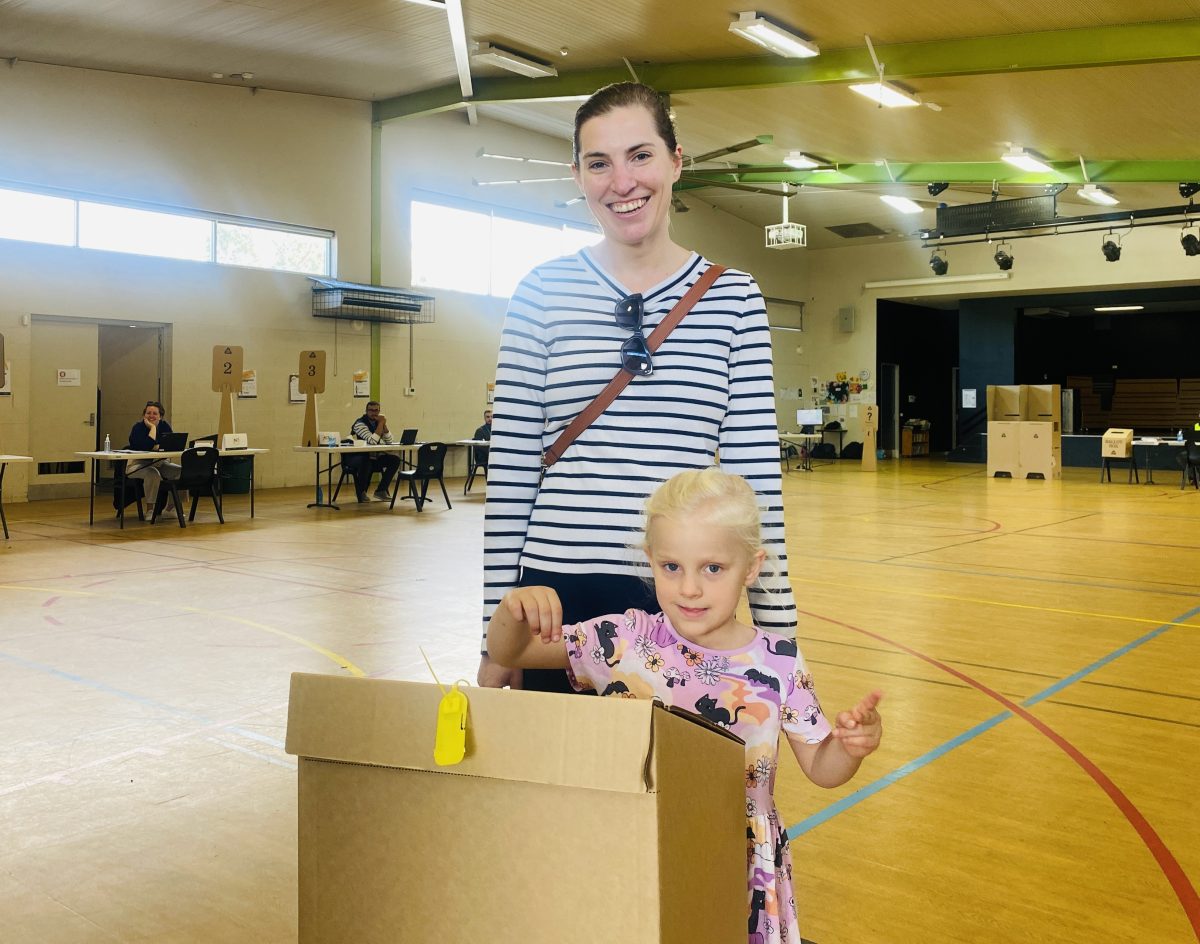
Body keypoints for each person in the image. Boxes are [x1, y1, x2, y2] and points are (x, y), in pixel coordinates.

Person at [480, 81, 795, 692]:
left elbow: (755, 478)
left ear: (677, 162)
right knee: (556, 785)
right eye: (599, 163)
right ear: (578, 175)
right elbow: (513, 470)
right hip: (552, 600)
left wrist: (781, 642)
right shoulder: (540, 294)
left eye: (641, 155)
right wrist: (495, 640)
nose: (622, 181)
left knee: (672, 788)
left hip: (681, 599)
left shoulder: (734, 298)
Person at [487, 468, 883, 944]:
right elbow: (513, 653)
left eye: (712, 568)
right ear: (650, 560)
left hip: (733, 866)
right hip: (630, 849)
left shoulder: (778, 662)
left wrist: (851, 747)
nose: (689, 589)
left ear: (751, 567)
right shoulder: (622, 639)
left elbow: (822, 768)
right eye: (671, 567)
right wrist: (512, 611)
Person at [126, 400, 182, 511]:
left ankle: (171, 508)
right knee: (152, 473)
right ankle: (150, 509)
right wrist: (153, 428)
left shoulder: (164, 426)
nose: (151, 416)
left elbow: (170, 445)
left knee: (180, 472)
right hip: (137, 465)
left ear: (160, 416)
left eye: (155, 413)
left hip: (159, 463)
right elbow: (147, 446)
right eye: (148, 413)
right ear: (144, 415)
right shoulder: (137, 428)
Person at [346, 400, 400, 502]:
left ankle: (381, 490)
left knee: (395, 460)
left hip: (372, 456)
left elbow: (389, 441)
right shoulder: (359, 424)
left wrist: (384, 425)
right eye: (371, 410)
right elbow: (372, 441)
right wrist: (381, 423)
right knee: (366, 461)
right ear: (366, 411)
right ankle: (361, 492)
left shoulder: (378, 423)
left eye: (376, 410)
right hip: (355, 458)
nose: (374, 413)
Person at [470, 409, 492, 474]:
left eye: (492, 417)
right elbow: (478, 447)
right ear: (484, 418)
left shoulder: (497, 429)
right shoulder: (480, 430)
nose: (490, 419)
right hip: (483, 457)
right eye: (488, 417)